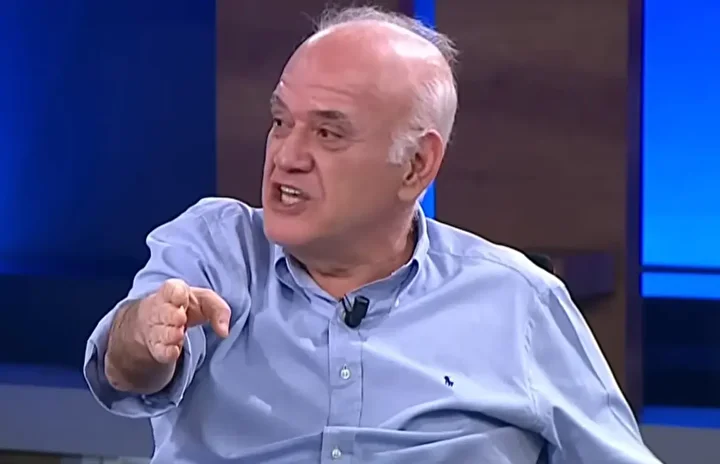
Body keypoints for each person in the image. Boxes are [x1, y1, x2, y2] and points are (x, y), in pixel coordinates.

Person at [84, 6, 662, 463]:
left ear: (416, 166)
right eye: (281, 121)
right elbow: (126, 370)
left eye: (328, 134)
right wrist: (144, 334)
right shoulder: (216, 247)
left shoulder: (519, 303)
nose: (287, 155)